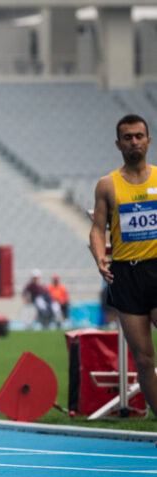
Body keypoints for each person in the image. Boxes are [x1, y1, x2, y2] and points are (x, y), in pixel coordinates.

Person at [89, 113, 157, 418]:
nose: (134, 142)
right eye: (127, 137)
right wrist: (98, 255)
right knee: (143, 359)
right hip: (126, 274)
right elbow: (97, 228)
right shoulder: (107, 185)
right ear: (118, 144)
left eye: (138, 136)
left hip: (156, 268)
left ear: (148, 141)